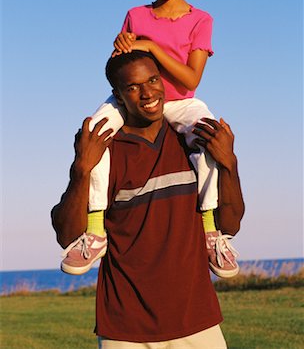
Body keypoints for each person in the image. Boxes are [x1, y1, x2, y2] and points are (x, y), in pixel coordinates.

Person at [61, 0, 239, 278]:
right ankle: (95, 230)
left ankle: (210, 232)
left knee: (211, 140)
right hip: (134, 101)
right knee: (94, 137)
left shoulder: (201, 20)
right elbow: (121, 68)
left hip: (179, 102)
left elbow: (191, 79)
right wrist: (122, 46)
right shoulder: (135, 14)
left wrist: (152, 47)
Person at [52, 51, 245, 349]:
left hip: (197, 319)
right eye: (133, 87)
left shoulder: (191, 140)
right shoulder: (105, 149)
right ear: (117, 96)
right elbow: (66, 234)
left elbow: (231, 222)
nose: (148, 93)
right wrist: (81, 169)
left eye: (153, 80)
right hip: (125, 328)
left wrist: (229, 163)